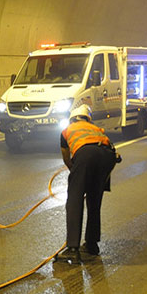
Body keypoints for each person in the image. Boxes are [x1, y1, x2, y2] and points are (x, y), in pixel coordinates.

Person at [55, 104, 118, 263]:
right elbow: (109, 146)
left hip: (86, 155)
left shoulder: (67, 130)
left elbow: (66, 157)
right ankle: (92, 244)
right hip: (108, 156)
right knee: (94, 200)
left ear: (72, 118)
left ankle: (73, 249)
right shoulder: (95, 128)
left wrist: (76, 174)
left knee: (74, 200)